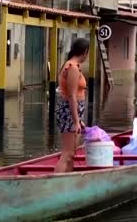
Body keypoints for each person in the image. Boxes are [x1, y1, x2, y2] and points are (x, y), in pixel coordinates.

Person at [54, 38, 89, 173]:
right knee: (67, 154)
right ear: (85, 52)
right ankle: (55, 183)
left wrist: (79, 120)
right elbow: (71, 96)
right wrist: (75, 121)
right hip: (69, 113)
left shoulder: (72, 65)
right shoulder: (72, 67)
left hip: (73, 113)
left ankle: (67, 181)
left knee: (72, 154)